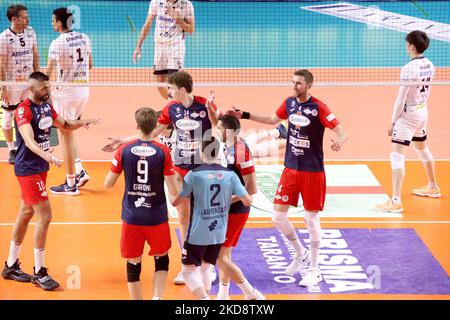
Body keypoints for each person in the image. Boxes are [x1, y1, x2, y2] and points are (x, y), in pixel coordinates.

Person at [227, 69, 348, 286]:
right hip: (291, 169)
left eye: (299, 83)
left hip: (313, 172)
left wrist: (340, 140)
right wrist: (244, 114)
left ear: (309, 85)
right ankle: (300, 253)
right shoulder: (289, 103)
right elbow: (272, 118)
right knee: (277, 217)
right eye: (293, 82)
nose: (295, 86)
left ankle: (314, 268)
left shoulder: (319, 107)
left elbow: (341, 130)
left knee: (311, 220)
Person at [102, 71, 220, 285]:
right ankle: (188, 266)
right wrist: (122, 141)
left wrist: (212, 111)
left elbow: (217, 124)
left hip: (203, 169)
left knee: (203, 217)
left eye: (171, 88)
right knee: (184, 217)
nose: (168, 91)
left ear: (182, 90)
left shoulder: (203, 104)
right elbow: (152, 133)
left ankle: (208, 266)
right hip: (181, 168)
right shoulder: (171, 108)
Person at [1, 72, 99, 290]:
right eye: (44, 88)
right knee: (45, 216)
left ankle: (10, 265)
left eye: (48, 86)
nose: (48, 90)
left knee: (26, 213)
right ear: (32, 88)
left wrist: (83, 122)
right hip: (28, 168)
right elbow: (28, 140)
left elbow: (65, 124)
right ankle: (39, 271)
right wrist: (48, 156)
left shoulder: (46, 106)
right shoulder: (23, 111)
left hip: (40, 167)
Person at [104, 107, 178, 300]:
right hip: (157, 217)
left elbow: (108, 183)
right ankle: (157, 298)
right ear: (155, 127)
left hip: (132, 217)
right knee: (162, 260)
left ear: (137, 126)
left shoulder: (124, 151)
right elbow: (174, 190)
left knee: (133, 264)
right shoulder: (163, 152)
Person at [171, 136, 252, 300]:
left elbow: (175, 201)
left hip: (198, 232)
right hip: (218, 232)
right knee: (207, 265)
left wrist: (171, 181)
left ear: (201, 153)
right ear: (219, 153)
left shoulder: (194, 175)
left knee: (188, 272)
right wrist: (226, 199)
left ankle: (205, 299)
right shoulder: (230, 175)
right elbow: (247, 200)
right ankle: (244, 293)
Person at [375, 31, 440, 213]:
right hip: (422, 111)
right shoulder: (430, 64)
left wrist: (393, 121)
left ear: (412, 46)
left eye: (407, 43)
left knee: (397, 155)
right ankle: (432, 186)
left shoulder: (407, 68)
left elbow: (400, 99)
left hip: (408, 116)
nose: (406, 46)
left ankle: (395, 201)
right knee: (422, 148)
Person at [215, 114, 265, 300]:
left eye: (219, 128)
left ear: (228, 131)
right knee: (225, 253)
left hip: (235, 210)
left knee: (218, 256)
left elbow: (251, 188)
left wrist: (227, 201)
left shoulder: (241, 151)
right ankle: (223, 294)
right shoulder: (229, 146)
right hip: (228, 208)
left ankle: (251, 293)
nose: (216, 130)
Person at [46, 7, 93, 195]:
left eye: (53, 21)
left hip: (65, 94)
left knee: (65, 136)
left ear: (59, 23)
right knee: (70, 133)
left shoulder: (57, 44)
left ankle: (71, 183)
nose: (52, 24)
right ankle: (80, 170)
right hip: (83, 93)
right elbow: (90, 64)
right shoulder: (85, 38)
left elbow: (47, 75)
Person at [0, 4, 40, 164]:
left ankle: (29, 145)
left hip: (28, 82)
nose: (27, 19)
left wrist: (38, 78)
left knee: (30, 114)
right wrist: (3, 87)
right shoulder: (4, 37)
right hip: (11, 84)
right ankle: (12, 149)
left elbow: (35, 54)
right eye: (24, 16)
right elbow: (1, 64)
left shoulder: (30, 32)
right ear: (14, 19)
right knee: (9, 116)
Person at [133, 0, 195, 99]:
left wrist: (179, 20)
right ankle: (172, 104)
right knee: (160, 83)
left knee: (176, 82)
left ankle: (178, 107)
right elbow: (148, 24)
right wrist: (138, 46)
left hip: (176, 46)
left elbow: (191, 30)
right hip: (159, 45)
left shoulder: (187, 5)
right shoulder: (156, 2)